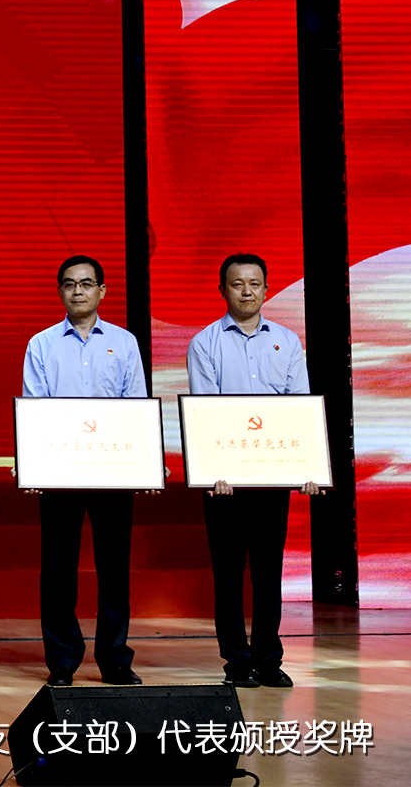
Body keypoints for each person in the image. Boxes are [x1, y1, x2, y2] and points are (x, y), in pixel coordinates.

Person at [187, 253, 320, 689]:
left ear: (266, 289)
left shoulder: (287, 340)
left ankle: (268, 658)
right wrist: (213, 471)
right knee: (227, 574)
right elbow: (205, 411)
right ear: (222, 290)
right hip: (224, 482)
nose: (246, 291)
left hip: (271, 476)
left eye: (254, 283)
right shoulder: (205, 342)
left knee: (268, 570)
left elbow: (299, 409)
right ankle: (236, 661)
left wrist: (307, 466)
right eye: (237, 283)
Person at [23, 255, 147, 687]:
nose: (78, 291)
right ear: (60, 291)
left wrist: (142, 466)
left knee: (114, 569)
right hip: (60, 472)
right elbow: (35, 410)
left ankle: (115, 659)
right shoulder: (41, 344)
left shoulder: (125, 343)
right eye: (70, 284)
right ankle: (62, 659)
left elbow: (135, 408)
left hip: (113, 471)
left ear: (102, 291)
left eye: (87, 283)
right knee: (59, 571)